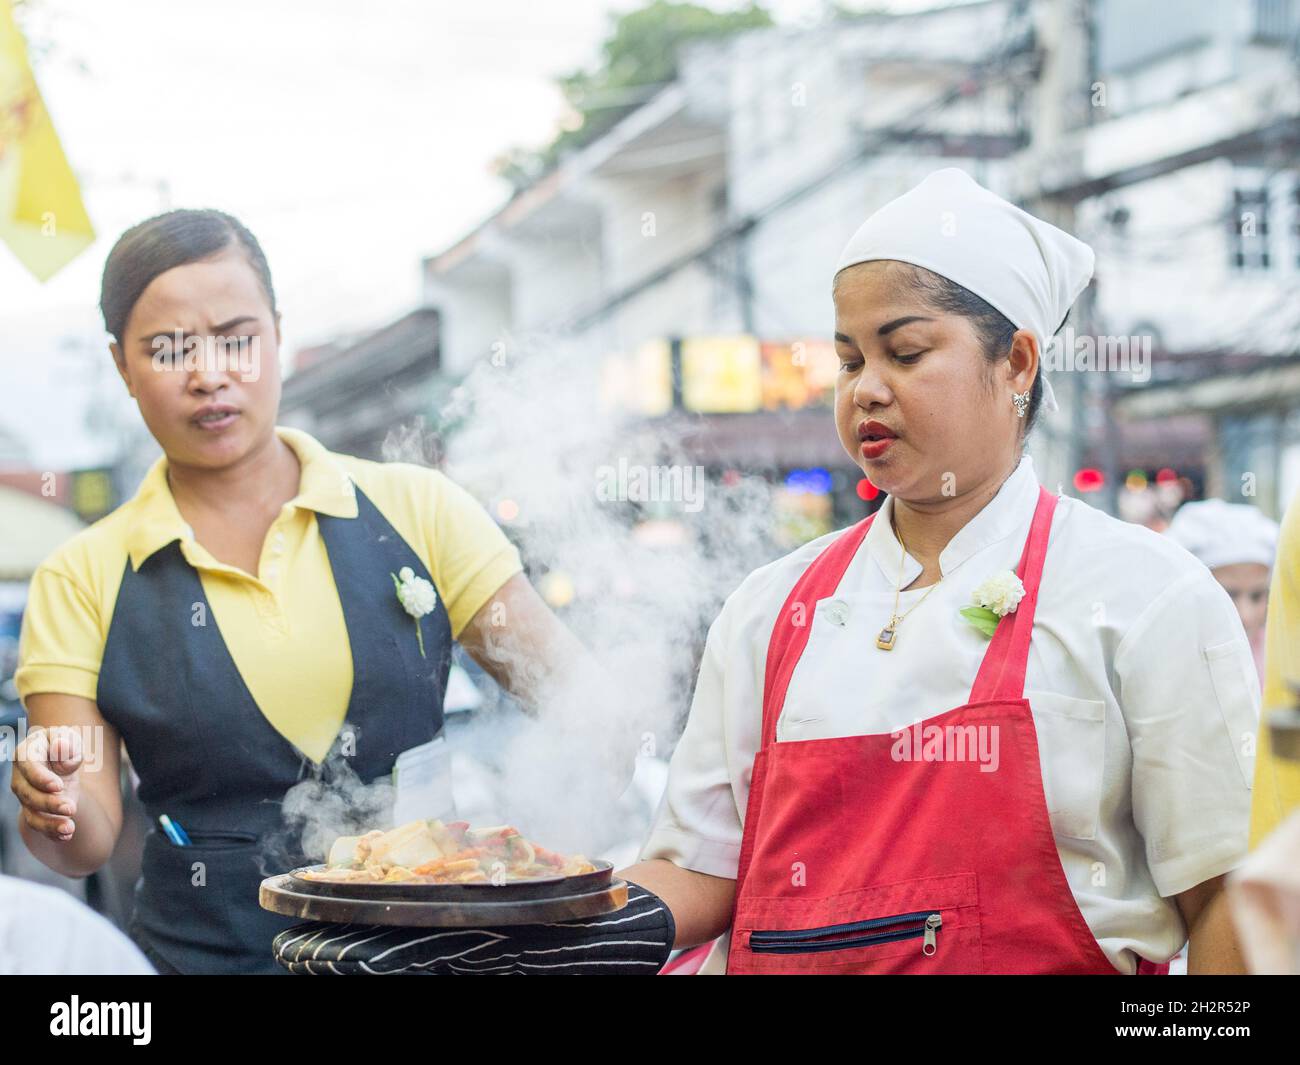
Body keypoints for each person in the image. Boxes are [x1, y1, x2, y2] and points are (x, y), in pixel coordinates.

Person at [619, 168, 1257, 974]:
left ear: (1018, 363)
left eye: (906, 352)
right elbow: (702, 866)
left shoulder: (1144, 595)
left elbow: (1229, 891)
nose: (867, 390)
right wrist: (568, 918)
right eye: (849, 361)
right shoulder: (769, 609)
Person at [10, 209, 617, 975]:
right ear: (122, 366)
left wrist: (540, 849)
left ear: (277, 334)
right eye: (168, 349)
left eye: (237, 337)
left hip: (429, 959)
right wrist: (53, 801)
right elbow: (83, 838)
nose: (209, 372)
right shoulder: (83, 574)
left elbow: (581, 701)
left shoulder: (418, 510)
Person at [1166, 498, 1278, 685]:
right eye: (1229, 595)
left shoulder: (1275, 652)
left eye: (1257, 596)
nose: (1246, 615)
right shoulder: (1165, 659)